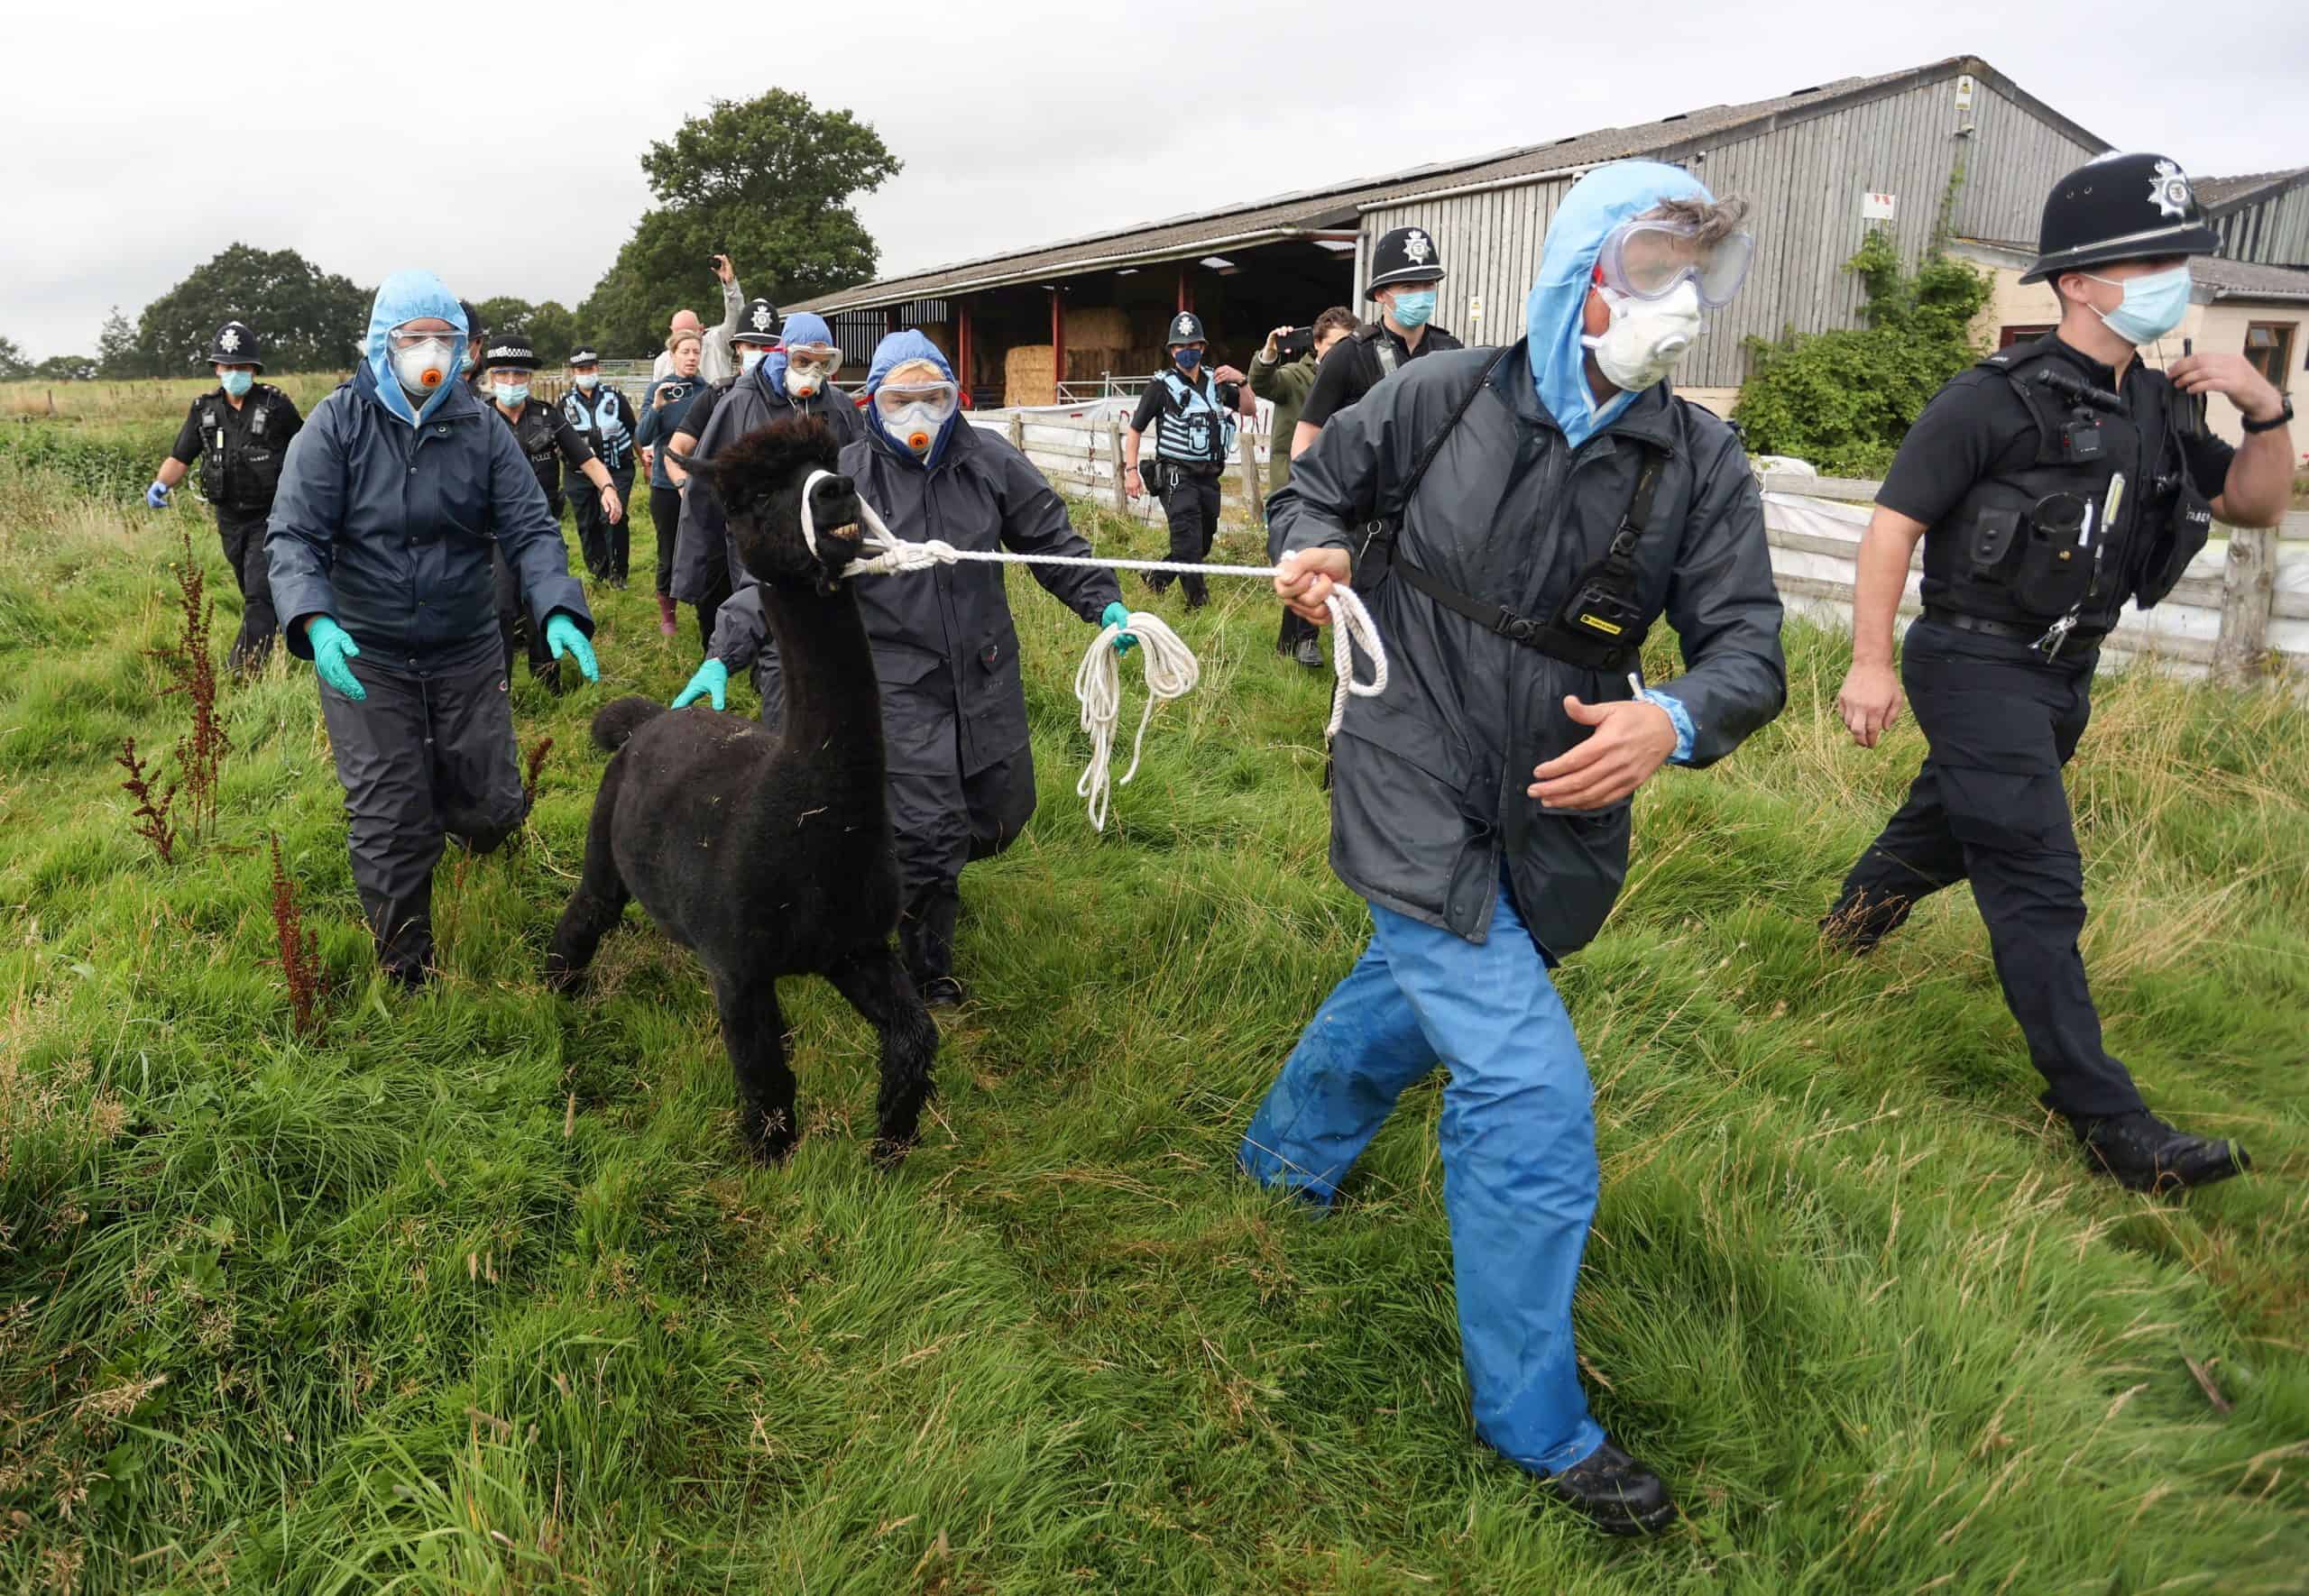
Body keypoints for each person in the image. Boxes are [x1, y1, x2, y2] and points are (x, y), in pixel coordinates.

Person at [1241, 163, 1785, 1535]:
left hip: (1559, 800)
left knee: (1404, 991)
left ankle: (1280, 1165)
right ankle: (1537, 1422)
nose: (1681, 305)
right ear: (1578, 269)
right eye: (1656, 266)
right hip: (1404, 754)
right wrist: (1310, 551)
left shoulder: (1699, 465)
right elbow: (1314, 490)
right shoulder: (1444, 395)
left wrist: (1672, 718)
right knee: (1527, 1089)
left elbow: (1750, 652)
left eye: (1698, 276)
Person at [1825, 153, 2290, 1193]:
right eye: (2156, 259)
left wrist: (2265, 408)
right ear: (2079, 280)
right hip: (1971, 661)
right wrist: (1866, 664)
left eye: (2181, 257)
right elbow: (1891, 525)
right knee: (2037, 882)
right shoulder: (1990, 400)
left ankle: (1843, 933)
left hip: (2060, 674)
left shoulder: (2164, 405)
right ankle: (2106, 1118)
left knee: (1947, 824)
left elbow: (2257, 506)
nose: (2180, 276)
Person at [676, 332, 1131, 1007]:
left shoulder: (990, 462)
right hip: (896, 679)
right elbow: (781, 572)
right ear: (872, 402)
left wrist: (1106, 604)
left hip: (983, 670)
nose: (918, 414)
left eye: (933, 398)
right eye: (900, 399)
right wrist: (725, 648)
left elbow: (1049, 537)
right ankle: (923, 965)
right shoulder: (843, 484)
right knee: (929, 831)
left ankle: (911, 880)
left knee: (1000, 813)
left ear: (956, 399)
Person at [266, 272, 600, 989]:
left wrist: (558, 606)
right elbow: (293, 536)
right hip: (366, 651)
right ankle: (407, 969)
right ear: (381, 345)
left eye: (443, 340)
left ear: (463, 349)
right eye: (413, 339)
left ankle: (452, 808)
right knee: (389, 816)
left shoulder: (480, 429)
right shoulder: (337, 425)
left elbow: (530, 527)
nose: (429, 353)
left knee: (492, 806)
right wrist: (315, 622)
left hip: (466, 644)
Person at [146, 320, 302, 672]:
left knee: (258, 594)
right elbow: (180, 456)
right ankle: (277, 635)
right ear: (217, 368)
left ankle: (244, 671)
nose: (234, 373)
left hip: (271, 515)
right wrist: (161, 484)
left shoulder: (275, 405)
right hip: (229, 519)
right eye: (227, 367)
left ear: (253, 369)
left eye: (241, 367)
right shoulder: (204, 410)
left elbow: (307, 450)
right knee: (252, 589)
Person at [474, 331, 623, 690]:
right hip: (495, 535)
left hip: (541, 531)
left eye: (520, 374)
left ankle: (548, 678)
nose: (512, 382)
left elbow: (587, 460)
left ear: (530, 378)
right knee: (501, 607)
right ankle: (499, 684)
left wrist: (608, 487)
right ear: (491, 377)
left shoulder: (548, 416)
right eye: (504, 374)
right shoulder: (477, 421)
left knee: (546, 599)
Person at [664, 298, 805, 653]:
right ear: (738, 348)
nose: (759, 352)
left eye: (768, 346)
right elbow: (678, 448)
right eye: (752, 345)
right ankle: (714, 660)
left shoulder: (793, 403)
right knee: (713, 595)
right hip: (721, 516)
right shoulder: (717, 397)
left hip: (772, 522)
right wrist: (685, 486)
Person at [1292, 225, 1463, 459]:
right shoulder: (1349, 355)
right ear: (1381, 294)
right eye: (1409, 286)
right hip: (1365, 490)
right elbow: (1306, 437)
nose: (1421, 294)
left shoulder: (1451, 352)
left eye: (1429, 284)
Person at [1121, 311, 1250, 609]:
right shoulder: (1161, 386)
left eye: (1192, 345)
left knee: (1201, 543)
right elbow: (1135, 429)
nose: (1186, 351)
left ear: (1203, 347)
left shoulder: (1215, 382)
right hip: (1176, 476)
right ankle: (1198, 605)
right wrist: (1130, 471)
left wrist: (1242, 381)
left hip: (1209, 477)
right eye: (1180, 346)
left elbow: (1249, 410)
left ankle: (1157, 578)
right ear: (1172, 351)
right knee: (1188, 542)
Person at [1250, 307, 1357, 666]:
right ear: (1317, 345)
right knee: (1306, 560)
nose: (1343, 353)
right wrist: (1269, 353)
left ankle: (1287, 642)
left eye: (1349, 344)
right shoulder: (1297, 376)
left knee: (1300, 565)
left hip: (1337, 489)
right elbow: (1263, 383)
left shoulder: (1358, 379)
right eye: (1335, 345)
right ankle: (1307, 642)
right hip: (1295, 487)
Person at [635, 328, 707, 637]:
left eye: (696, 351)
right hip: (666, 484)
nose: (691, 357)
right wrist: (657, 407)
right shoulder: (658, 389)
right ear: (673, 355)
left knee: (704, 545)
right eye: (685, 352)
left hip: (700, 482)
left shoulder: (708, 390)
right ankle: (669, 613)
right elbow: (643, 437)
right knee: (668, 549)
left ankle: (706, 603)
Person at [561, 346, 641, 587]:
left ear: (597, 368)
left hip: (617, 468)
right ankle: (598, 570)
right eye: (581, 369)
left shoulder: (614, 397)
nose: (586, 373)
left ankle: (618, 573)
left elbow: (632, 429)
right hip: (579, 474)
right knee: (588, 522)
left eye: (590, 368)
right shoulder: (564, 403)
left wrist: (646, 463)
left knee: (614, 517)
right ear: (574, 372)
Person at [649, 255, 749, 385]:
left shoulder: (717, 343)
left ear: (701, 329)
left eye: (689, 334)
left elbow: (736, 319)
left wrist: (730, 285)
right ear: (671, 332)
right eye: (679, 335)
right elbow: (654, 402)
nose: (684, 340)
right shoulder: (661, 362)